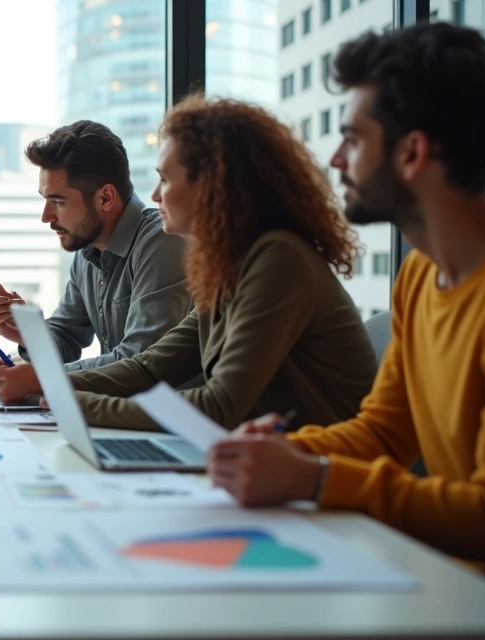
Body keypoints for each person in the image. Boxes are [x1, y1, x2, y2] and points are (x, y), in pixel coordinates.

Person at [209, 22, 485, 568]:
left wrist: (315, 478)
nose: (336, 159)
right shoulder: (418, 278)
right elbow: (385, 431)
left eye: (353, 139)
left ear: (413, 153)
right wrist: (286, 453)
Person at [43, 93, 379, 431]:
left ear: (213, 187)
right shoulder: (229, 264)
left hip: (322, 469)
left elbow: (219, 406)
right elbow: (150, 367)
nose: (155, 195)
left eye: (166, 179)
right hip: (266, 460)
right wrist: (51, 385)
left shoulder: (278, 259)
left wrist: (72, 402)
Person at [0, 121, 191, 404]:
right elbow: (67, 340)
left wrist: (41, 379)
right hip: (117, 414)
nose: (45, 216)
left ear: (105, 197)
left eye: (58, 202)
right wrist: (28, 335)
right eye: (45, 200)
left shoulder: (162, 241)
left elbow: (140, 361)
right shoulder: (86, 252)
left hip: (167, 424)